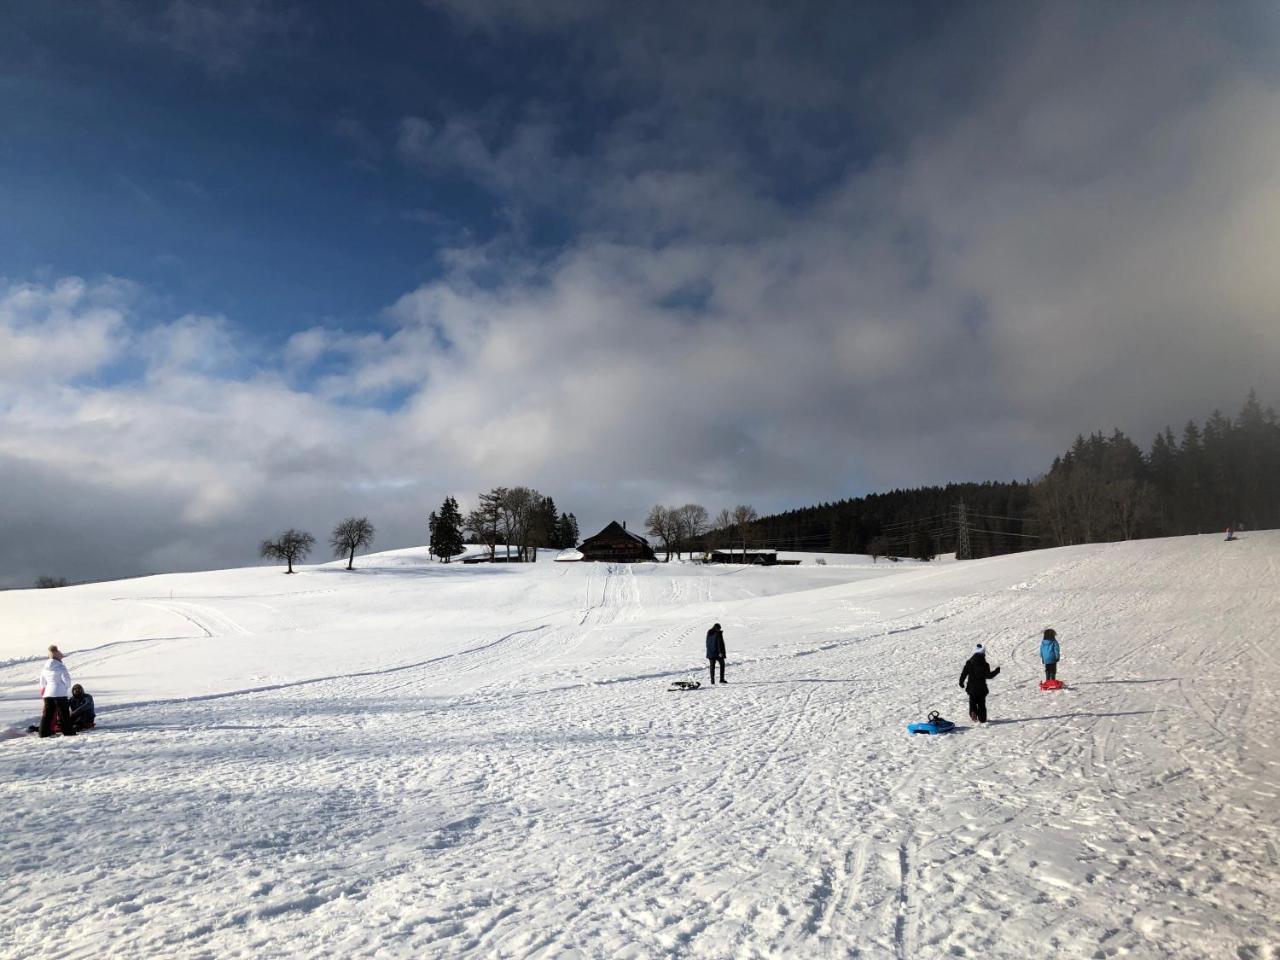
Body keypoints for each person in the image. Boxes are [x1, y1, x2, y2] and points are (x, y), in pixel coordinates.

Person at [37, 645, 76, 738]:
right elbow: (67, 680)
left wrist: (47, 689)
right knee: (63, 714)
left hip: (48, 694)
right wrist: (65, 687)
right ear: (58, 657)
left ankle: (43, 732)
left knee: (47, 715)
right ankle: (68, 732)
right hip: (60, 693)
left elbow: (42, 683)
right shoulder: (61, 667)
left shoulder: (44, 668)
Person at [959, 643, 1000, 723]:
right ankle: (982, 718)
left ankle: (973, 712)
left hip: (972, 688)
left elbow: (964, 673)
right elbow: (989, 676)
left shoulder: (969, 662)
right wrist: (996, 671)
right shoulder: (985, 664)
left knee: (972, 702)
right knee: (982, 704)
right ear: (983, 654)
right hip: (982, 689)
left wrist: (961, 682)